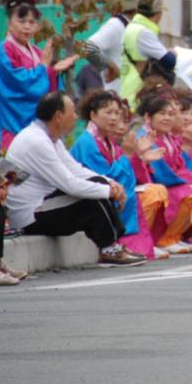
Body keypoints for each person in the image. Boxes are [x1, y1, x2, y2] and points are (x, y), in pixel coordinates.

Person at [2, 91, 145, 266]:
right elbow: (69, 184)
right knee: (91, 200)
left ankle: (113, 245)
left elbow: (75, 169)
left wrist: (110, 183)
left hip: (42, 204)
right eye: (72, 111)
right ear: (59, 116)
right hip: (29, 215)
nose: (76, 116)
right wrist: (108, 191)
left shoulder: (49, 138)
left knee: (98, 184)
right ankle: (109, 248)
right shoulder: (36, 141)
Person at [70, 89, 168, 261]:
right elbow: (103, 177)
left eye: (116, 112)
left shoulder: (106, 141)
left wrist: (140, 157)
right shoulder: (87, 143)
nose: (114, 118)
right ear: (93, 115)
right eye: (108, 112)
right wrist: (131, 155)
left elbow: (128, 173)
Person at [0, 0, 77, 152]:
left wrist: (53, 71)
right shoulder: (3, 51)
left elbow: (44, 81)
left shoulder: (35, 51)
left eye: (31, 22)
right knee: (13, 174)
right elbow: (19, 83)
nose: (27, 26)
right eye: (21, 21)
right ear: (9, 23)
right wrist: (44, 68)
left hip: (37, 128)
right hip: (12, 124)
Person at [130, 93, 192, 255]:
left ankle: (179, 236)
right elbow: (158, 173)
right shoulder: (145, 138)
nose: (168, 118)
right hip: (159, 184)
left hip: (169, 183)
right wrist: (186, 181)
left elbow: (181, 166)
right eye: (162, 114)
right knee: (187, 192)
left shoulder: (170, 138)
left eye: (171, 114)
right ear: (148, 117)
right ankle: (165, 239)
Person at [80, 0, 144, 93]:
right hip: (119, 100)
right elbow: (88, 47)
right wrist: (112, 68)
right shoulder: (116, 25)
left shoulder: (132, 26)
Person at [119, 0, 177, 105]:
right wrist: (174, 53)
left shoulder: (132, 27)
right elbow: (170, 61)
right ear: (159, 14)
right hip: (137, 88)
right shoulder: (143, 33)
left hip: (129, 83)